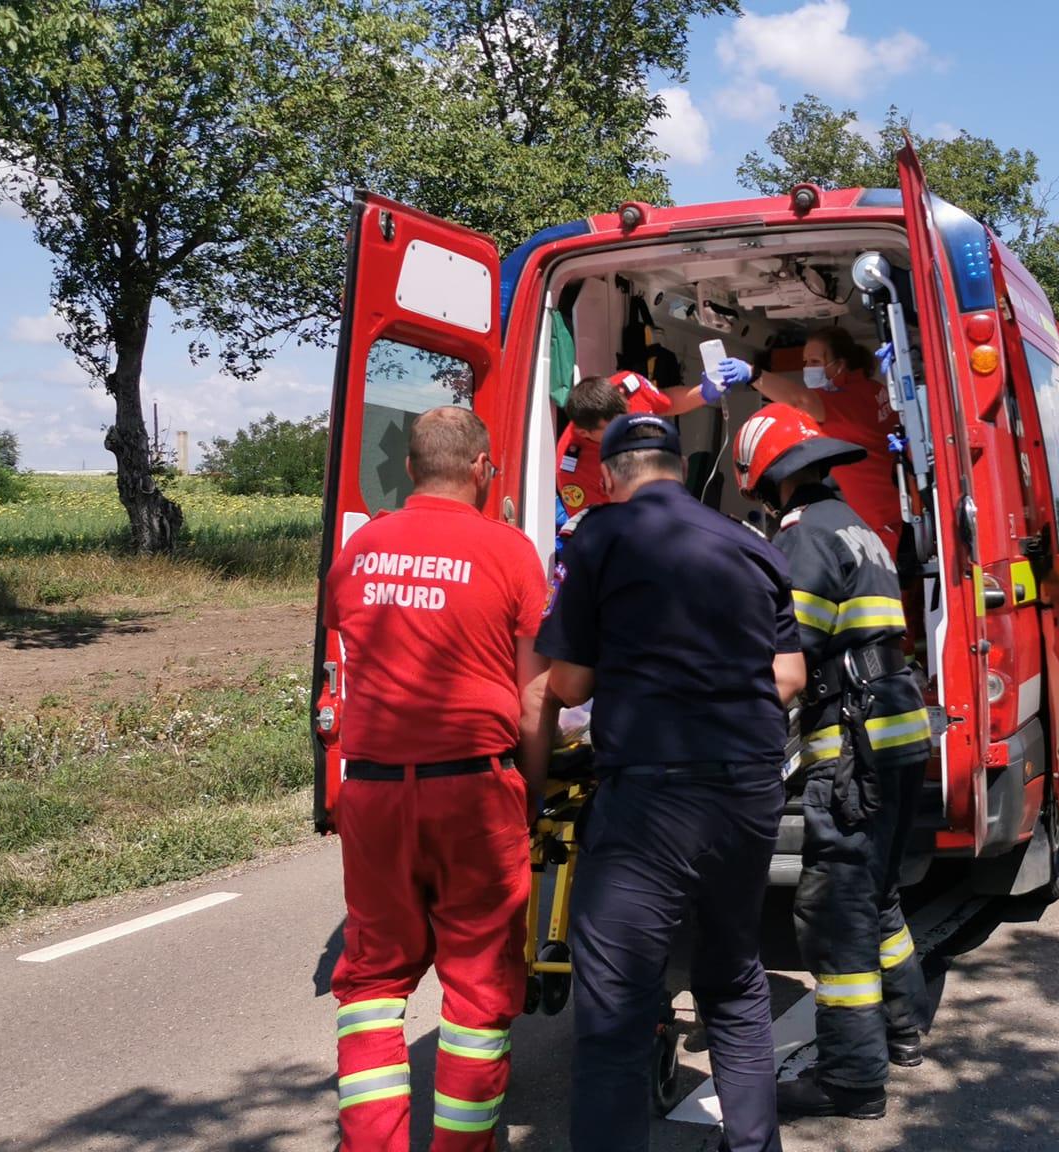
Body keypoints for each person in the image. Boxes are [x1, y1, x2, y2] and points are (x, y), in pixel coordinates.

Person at [539, 413, 805, 1152]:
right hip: (749, 787)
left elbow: (567, 679)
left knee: (615, 1010)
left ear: (609, 477)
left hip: (653, 795)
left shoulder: (600, 535)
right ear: (682, 472)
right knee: (734, 979)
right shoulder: (754, 549)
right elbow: (789, 673)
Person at [322, 408, 556, 1152]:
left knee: (372, 984)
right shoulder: (509, 551)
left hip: (373, 790)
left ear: (409, 468)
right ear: (484, 469)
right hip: (473, 789)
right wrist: (534, 789)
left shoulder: (362, 548)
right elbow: (534, 695)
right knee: (479, 990)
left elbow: (350, 643)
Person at [730, 405, 932, 1121]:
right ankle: (904, 1031)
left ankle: (850, 1080)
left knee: (834, 909)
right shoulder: (856, 526)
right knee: (877, 896)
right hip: (898, 735)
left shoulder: (805, 538)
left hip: (853, 748)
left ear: (768, 477)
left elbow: (786, 654)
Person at [706, 327, 905, 559]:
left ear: (839, 365)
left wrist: (753, 374)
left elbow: (800, 400)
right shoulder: (875, 390)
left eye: (815, 361)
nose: (808, 367)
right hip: (878, 518)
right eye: (806, 361)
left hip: (871, 526)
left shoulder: (852, 399)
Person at [556, 371, 707, 518]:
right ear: (584, 433)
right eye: (615, 427)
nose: (626, 427)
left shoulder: (631, 387)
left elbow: (667, 401)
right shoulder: (572, 471)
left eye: (626, 417)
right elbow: (593, 526)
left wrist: (704, 392)